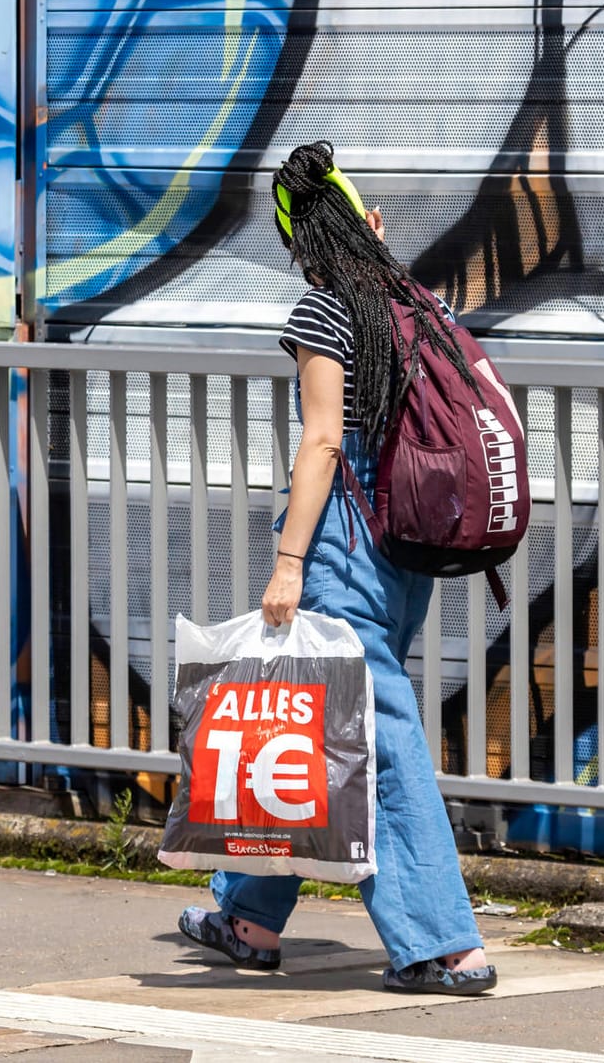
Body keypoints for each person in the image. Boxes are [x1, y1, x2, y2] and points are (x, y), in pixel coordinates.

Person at [175, 141, 495, 995]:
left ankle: (442, 945)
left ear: (299, 248)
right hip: (401, 543)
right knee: (315, 724)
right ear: (368, 223)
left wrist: (288, 563)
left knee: (377, 741)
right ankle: (245, 915)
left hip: (342, 542)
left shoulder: (325, 312)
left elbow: (321, 441)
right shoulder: (414, 305)